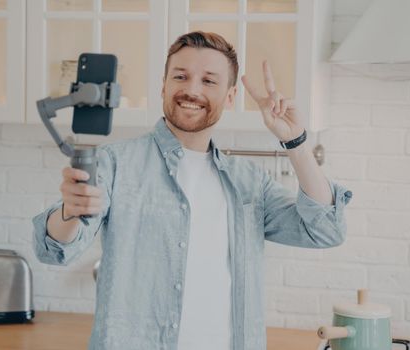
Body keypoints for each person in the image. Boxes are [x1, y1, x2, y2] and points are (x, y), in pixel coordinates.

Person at [32, 31, 352, 350]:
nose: (191, 90)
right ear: (164, 85)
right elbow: (55, 250)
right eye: (180, 76)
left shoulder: (250, 183)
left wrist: (295, 141)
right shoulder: (115, 164)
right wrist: (69, 211)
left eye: (209, 81)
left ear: (229, 96)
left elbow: (325, 230)